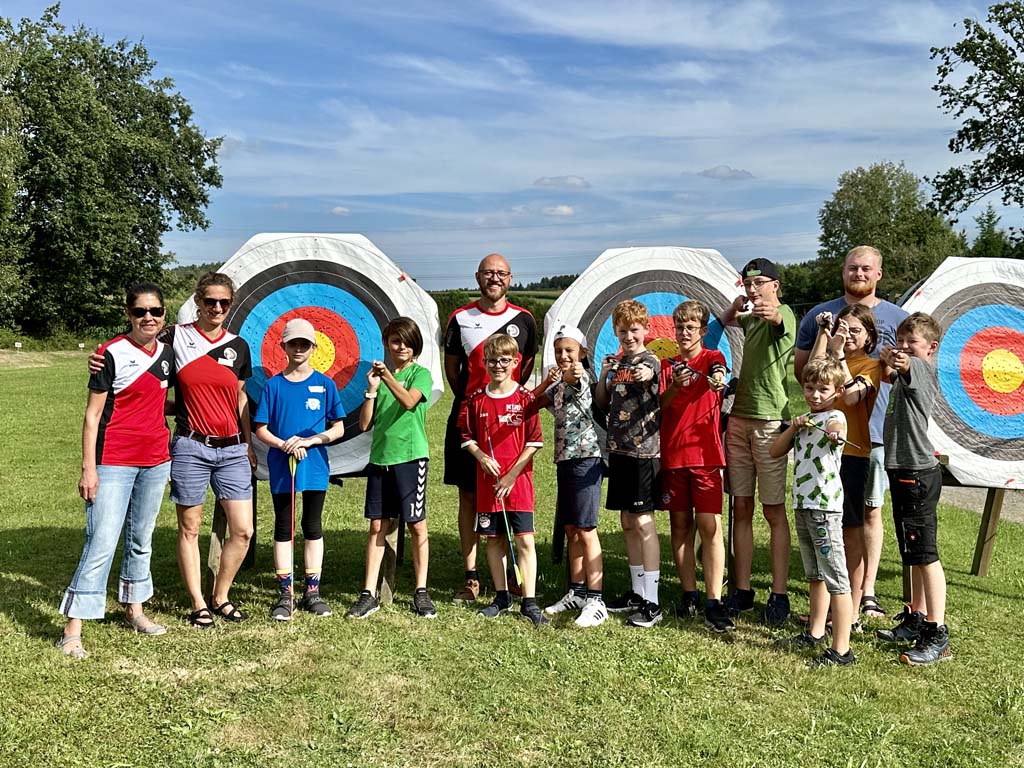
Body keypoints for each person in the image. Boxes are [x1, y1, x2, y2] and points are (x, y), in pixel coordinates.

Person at [88, 272, 256, 627]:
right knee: (190, 527)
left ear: (231, 304)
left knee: (243, 531)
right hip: (191, 446)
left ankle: (221, 595)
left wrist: (248, 444)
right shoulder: (176, 336)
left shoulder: (239, 346)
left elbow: (239, 397)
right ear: (197, 302)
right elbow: (138, 338)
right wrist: (101, 355)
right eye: (209, 301)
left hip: (232, 450)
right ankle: (198, 602)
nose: (216, 308)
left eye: (224, 302)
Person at [57, 283, 175, 659]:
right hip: (113, 461)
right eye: (140, 312)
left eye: (155, 311)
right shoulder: (109, 353)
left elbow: (157, 400)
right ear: (128, 314)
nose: (148, 318)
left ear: (163, 315)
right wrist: (88, 469)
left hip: (156, 460)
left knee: (141, 539)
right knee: (102, 542)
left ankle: (134, 609)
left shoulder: (167, 353)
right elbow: (92, 416)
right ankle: (72, 629)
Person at [795, 245, 908, 619]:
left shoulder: (890, 329)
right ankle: (834, 607)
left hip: (868, 442)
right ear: (843, 271)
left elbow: (857, 391)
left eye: (866, 269)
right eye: (852, 268)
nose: (858, 274)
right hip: (826, 449)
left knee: (862, 519)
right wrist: (829, 340)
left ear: (878, 274)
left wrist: (841, 351)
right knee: (831, 523)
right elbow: (808, 375)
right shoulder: (821, 319)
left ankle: (861, 598)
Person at [444, 254, 537, 604]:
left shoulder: (525, 319)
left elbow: (524, 368)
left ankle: (513, 575)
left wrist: (503, 399)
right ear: (477, 277)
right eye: (487, 273)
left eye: (500, 273)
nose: (494, 278)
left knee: (509, 493)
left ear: (510, 279)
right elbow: (453, 369)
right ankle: (471, 576)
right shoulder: (460, 318)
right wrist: (475, 402)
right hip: (472, 416)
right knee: (468, 496)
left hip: (509, 418)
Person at [254, 318, 345, 621]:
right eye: (293, 343)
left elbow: (338, 428)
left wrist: (312, 439)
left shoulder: (325, 384)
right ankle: (285, 593)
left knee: (312, 525)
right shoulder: (273, 385)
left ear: (313, 348)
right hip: (283, 465)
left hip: (315, 466)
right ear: (284, 346)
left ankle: (312, 591)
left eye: (304, 344)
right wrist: (284, 445)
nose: (298, 349)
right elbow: (261, 429)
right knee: (283, 526)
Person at [722, 258, 796, 625]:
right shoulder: (749, 315)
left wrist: (771, 312)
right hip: (739, 419)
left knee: (773, 510)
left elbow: (780, 324)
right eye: (746, 284)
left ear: (775, 285)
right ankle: (743, 589)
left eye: (759, 283)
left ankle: (779, 594)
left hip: (769, 421)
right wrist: (734, 307)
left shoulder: (782, 313)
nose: (752, 290)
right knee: (741, 507)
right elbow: (724, 321)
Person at [770, 357, 855, 666]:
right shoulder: (804, 419)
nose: (815, 395)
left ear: (837, 391)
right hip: (804, 506)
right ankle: (815, 631)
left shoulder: (836, 417)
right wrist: (792, 429)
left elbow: (835, 429)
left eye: (823, 389)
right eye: (809, 388)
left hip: (825, 510)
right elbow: (775, 451)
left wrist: (834, 434)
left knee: (836, 578)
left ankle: (842, 649)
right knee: (815, 574)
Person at [349, 317, 436, 620]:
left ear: (415, 347)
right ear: (386, 343)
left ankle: (421, 591)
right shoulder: (380, 380)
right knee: (377, 526)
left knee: (416, 525)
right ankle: (368, 593)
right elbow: (364, 424)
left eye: (407, 342)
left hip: (411, 459)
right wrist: (371, 390)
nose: (401, 347)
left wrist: (386, 378)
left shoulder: (420, 374)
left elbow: (410, 402)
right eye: (395, 341)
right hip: (380, 460)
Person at [877, 313, 951, 665]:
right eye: (901, 340)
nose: (904, 347)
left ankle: (938, 634)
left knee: (925, 554)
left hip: (916, 474)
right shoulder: (906, 373)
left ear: (931, 348)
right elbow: (889, 370)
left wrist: (900, 358)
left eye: (913, 343)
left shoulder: (921, 369)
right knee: (913, 551)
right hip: (906, 471)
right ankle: (917, 616)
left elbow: (904, 366)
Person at [808, 304, 888, 628]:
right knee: (825, 533)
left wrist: (840, 355)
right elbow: (811, 370)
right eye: (845, 328)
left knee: (850, 534)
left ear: (869, 336)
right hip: (823, 455)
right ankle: (826, 611)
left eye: (856, 330)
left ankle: (852, 611)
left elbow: (853, 397)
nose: (849, 335)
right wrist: (824, 335)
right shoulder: (831, 357)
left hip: (854, 457)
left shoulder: (872, 365)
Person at [458, 333, 546, 625]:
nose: (498, 365)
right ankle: (501, 595)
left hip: (518, 484)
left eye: (504, 360)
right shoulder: (476, 400)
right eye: (493, 360)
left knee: (524, 541)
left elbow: (533, 442)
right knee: (493, 540)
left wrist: (510, 475)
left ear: (515, 362)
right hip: (488, 485)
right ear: (484, 362)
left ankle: (529, 601)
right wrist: (481, 456)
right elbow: (466, 437)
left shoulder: (525, 399)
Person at [657, 300, 734, 633]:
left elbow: (719, 371)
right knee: (679, 527)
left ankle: (713, 599)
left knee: (710, 527)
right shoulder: (666, 365)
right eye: (680, 327)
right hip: (674, 456)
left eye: (691, 328)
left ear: (703, 331)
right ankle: (689, 593)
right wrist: (675, 383)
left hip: (705, 457)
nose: (685, 333)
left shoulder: (713, 357)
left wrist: (717, 378)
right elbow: (659, 404)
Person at [533, 324, 607, 628]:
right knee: (572, 528)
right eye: (558, 351)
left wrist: (563, 374)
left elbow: (576, 376)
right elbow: (533, 403)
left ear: (583, 354)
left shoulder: (580, 377)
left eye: (569, 351)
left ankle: (595, 598)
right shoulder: (559, 384)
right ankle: (576, 591)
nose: (563, 356)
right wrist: (547, 384)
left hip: (586, 460)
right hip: (565, 460)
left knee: (587, 529)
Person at [594, 300, 662, 628]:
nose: (629, 335)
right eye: (623, 331)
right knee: (626, 521)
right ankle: (637, 592)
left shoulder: (651, 360)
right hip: (619, 451)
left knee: (644, 523)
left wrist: (647, 373)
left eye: (635, 329)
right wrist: (606, 373)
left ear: (646, 329)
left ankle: (653, 601)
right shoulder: (619, 361)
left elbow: (652, 376)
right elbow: (602, 402)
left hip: (643, 454)